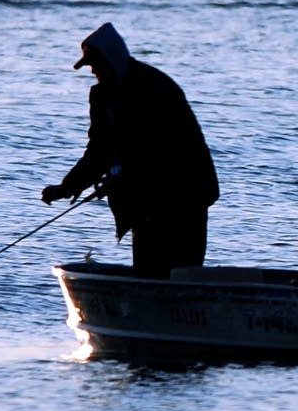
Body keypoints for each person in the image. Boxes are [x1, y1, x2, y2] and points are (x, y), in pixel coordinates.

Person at [42, 22, 220, 278]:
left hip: (185, 197)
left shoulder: (155, 88)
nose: (94, 71)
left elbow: (164, 152)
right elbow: (98, 151)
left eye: (96, 64)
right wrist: (67, 188)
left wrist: (122, 177)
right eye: (91, 66)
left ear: (112, 59)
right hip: (144, 204)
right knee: (147, 274)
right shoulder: (103, 96)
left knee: (181, 275)